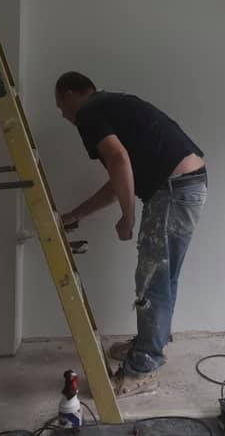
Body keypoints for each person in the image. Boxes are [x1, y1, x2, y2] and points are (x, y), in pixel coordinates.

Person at [55, 71, 207, 397]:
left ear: (69, 95)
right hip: (186, 185)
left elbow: (118, 159)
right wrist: (74, 215)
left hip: (174, 189)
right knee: (162, 276)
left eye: (60, 106)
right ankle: (151, 343)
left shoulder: (88, 112)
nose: (63, 115)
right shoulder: (111, 105)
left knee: (153, 278)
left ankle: (143, 368)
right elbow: (118, 178)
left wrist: (128, 216)